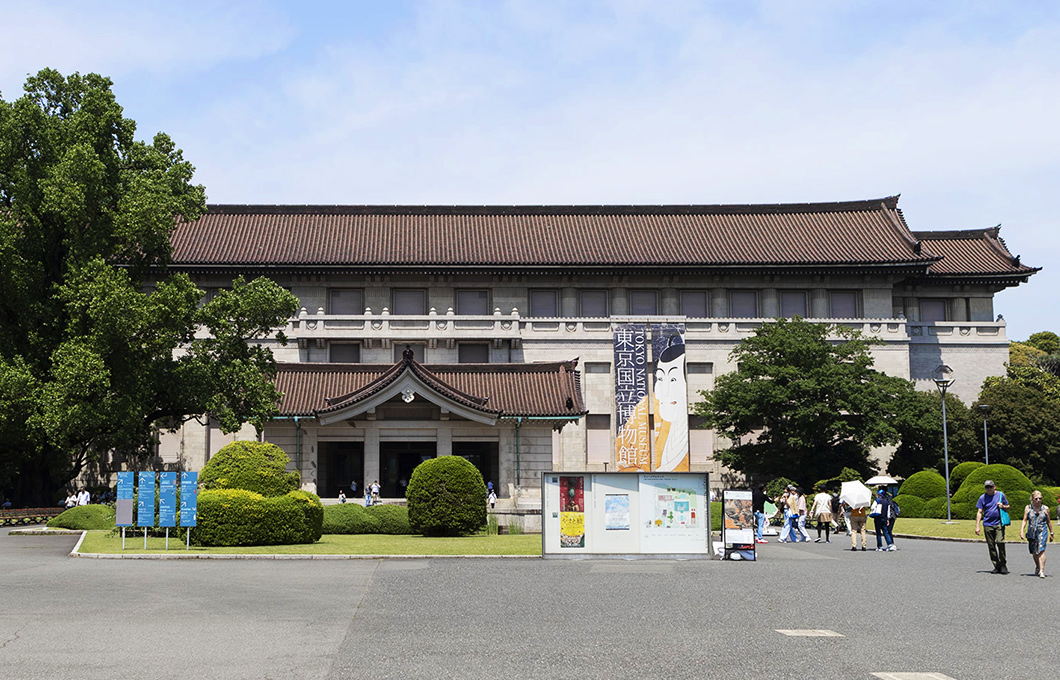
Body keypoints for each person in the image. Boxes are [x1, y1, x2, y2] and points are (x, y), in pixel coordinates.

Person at [975, 479, 1010, 574]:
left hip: (998, 523)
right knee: (991, 546)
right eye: (987, 487)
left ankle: (1003, 564)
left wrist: (1002, 506)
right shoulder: (983, 498)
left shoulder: (1000, 495)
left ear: (994, 487)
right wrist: (977, 526)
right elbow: (979, 512)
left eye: (990, 487)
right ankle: (996, 565)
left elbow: (1008, 506)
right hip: (987, 524)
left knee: (1000, 542)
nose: (988, 489)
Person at [1019, 490, 1053, 578]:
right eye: (1036, 499)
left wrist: (1051, 533)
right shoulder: (1028, 508)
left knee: (1041, 550)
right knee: (1034, 552)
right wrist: (1022, 530)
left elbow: (1048, 522)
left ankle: (1042, 571)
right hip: (1032, 532)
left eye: (1040, 498)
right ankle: (1038, 566)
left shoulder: (1045, 509)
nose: (1038, 500)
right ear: (1032, 499)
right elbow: (1025, 520)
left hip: (1042, 531)